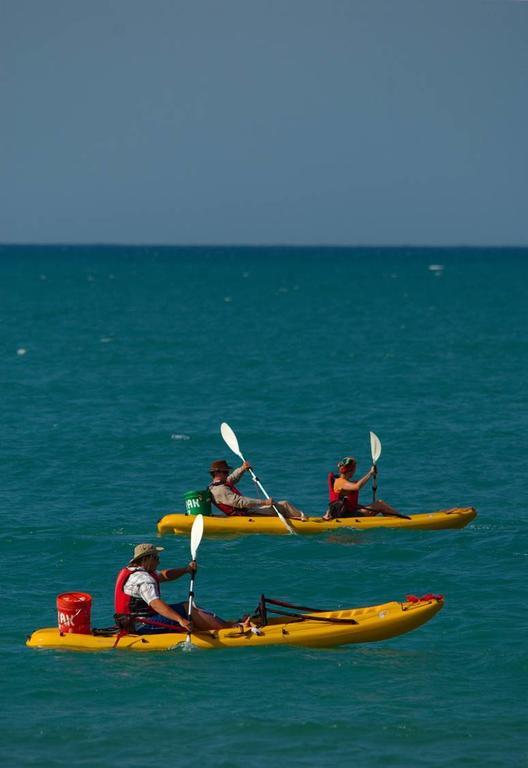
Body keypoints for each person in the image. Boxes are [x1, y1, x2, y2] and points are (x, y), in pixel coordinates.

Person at [114, 543, 233, 634]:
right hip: (142, 625)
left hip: (132, 622)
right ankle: (227, 630)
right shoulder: (143, 579)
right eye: (156, 558)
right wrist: (180, 619)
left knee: (187, 607)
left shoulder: (133, 571)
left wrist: (186, 570)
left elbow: (164, 575)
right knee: (186, 609)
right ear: (146, 559)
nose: (159, 561)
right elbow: (155, 603)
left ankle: (223, 624)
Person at [208, 459, 306, 520]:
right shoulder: (220, 490)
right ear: (217, 473)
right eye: (225, 472)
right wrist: (264, 502)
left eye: (227, 472)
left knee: (283, 505)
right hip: (247, 513)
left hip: (247, 510)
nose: (228, 474)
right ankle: (305, 521)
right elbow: (240, 502)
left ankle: (299, 517)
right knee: (284, 505)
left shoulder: (217, 485)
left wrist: (242, 468)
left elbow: (232, 478)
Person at [322, 456, 408, 520]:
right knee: (380, 504)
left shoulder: (342, 481)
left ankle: (395, 518)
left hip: (347, 513)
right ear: (351, 470)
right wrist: (370, 473)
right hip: (348, 516)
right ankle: (401, 519)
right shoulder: (341, 482)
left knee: (374, 506)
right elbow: (357, 487)